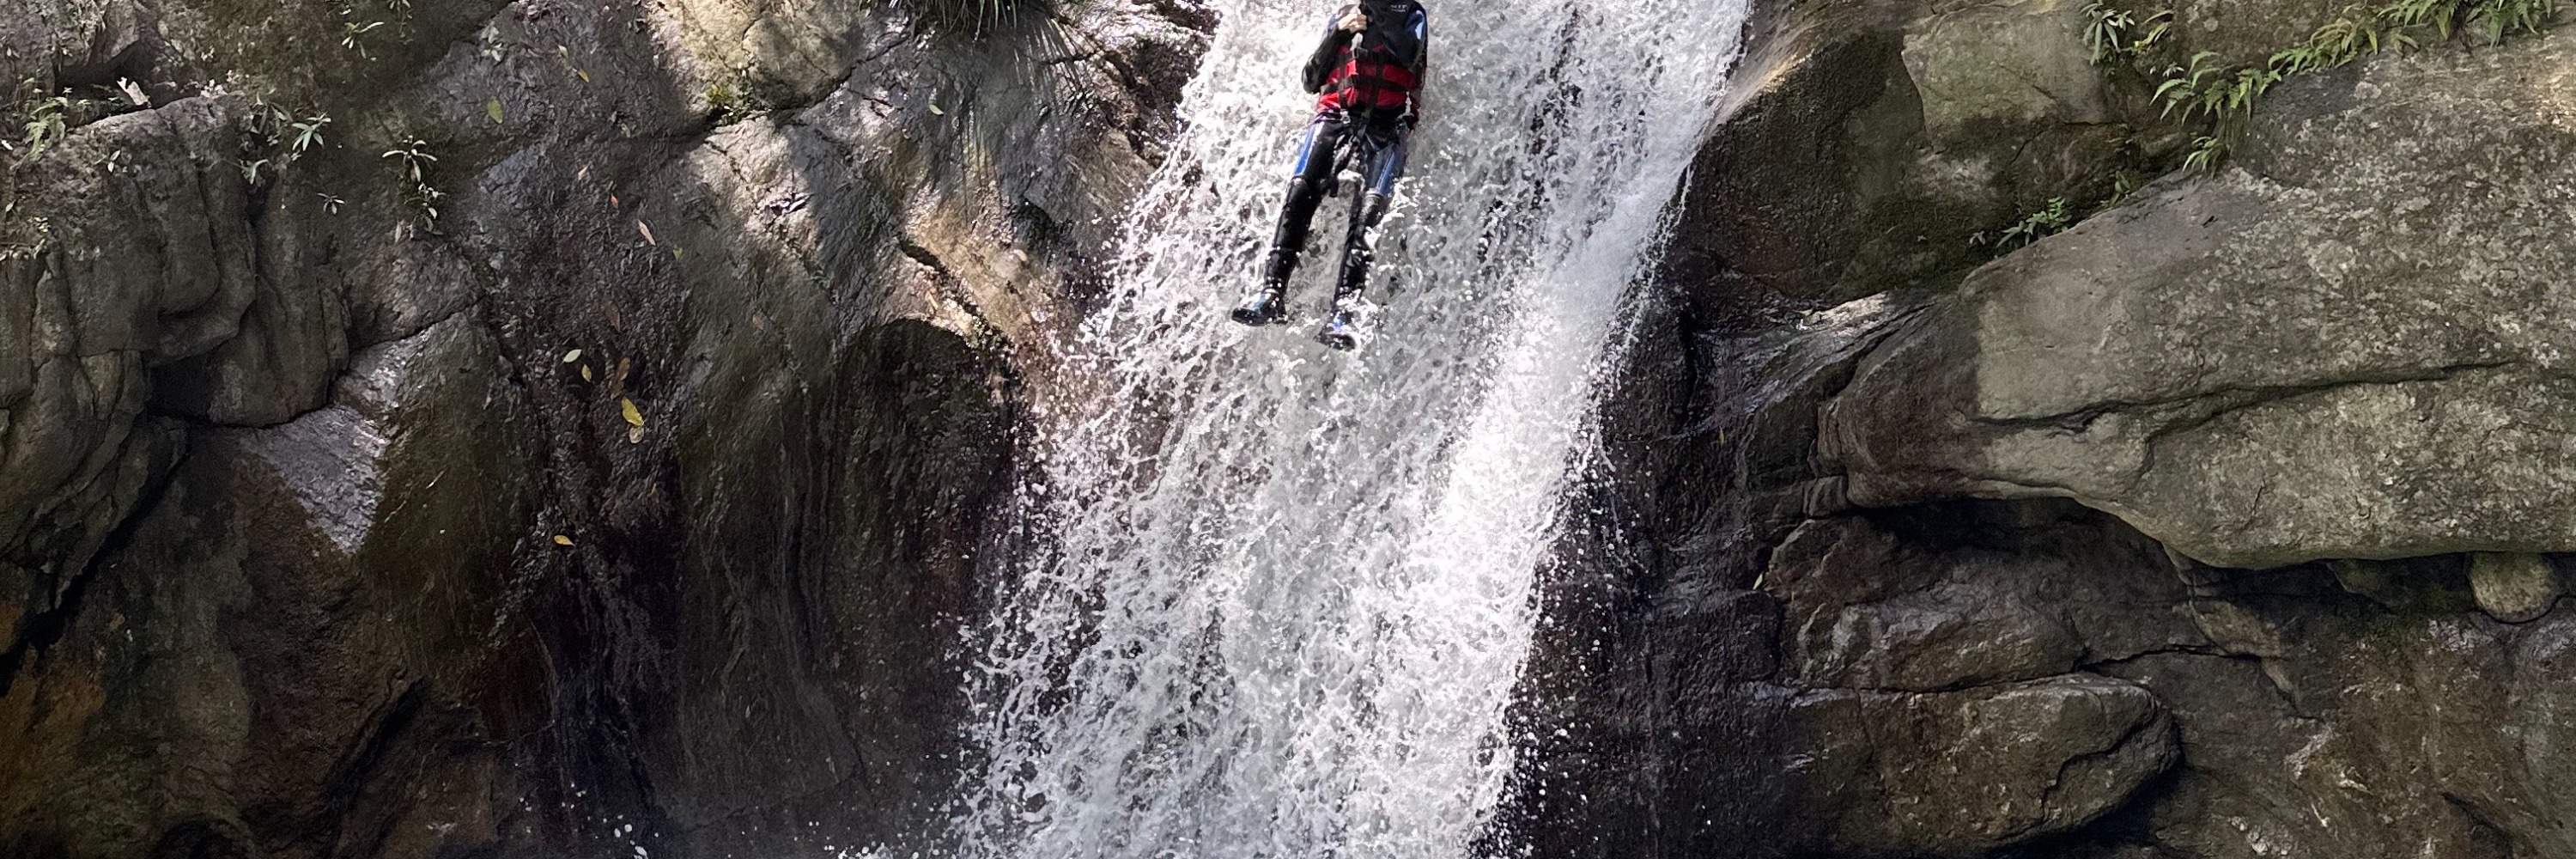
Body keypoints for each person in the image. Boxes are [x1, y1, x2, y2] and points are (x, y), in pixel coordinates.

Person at [1230, 0, 1430, 350]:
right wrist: (1338, 34)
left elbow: (1409, 55)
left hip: (1387, 125)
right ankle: (1271, 294)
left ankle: (1344, 312)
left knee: (1369, 212)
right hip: (1336, 115)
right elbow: (1310, 81)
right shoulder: (1343, 16)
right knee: (1300, 190)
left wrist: (1378, 16)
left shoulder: (1413, 16)